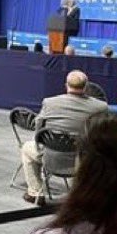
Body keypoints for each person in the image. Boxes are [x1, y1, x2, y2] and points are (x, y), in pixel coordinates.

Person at [19, 70, 108, 204]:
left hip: (51, 157)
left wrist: (40, 144)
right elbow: (103, 134)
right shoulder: (100, 107)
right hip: (84, 160)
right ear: (86, 87)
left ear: (66, 85)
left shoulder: (50, 103)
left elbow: (38, 125)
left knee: (26, 148)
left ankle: (35, 192)